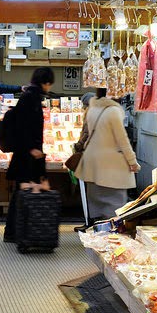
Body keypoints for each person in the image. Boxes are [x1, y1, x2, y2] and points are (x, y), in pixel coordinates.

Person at [3, 67, 54, 244]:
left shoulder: (30, 96)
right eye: (49, 83)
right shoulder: (31, 98)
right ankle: (17, 232)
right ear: (45, 82)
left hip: (26, 154)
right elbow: (24, 127)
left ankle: (16, 231)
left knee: (22, 192)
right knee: (23, 192)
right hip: (27, 156)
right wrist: (32, 148)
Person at [74, 87, 140, 221]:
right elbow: (122, 140)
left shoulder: (92, 109)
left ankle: (96, 235)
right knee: (114, 208)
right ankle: (110, 237)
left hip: (92, 164)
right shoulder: (113, 111)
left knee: (97, 206)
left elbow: (86, 134)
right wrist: (132, 162)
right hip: (111, 166)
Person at [70, 91, 97, 232]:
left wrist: (77, 146)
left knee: (88, 191)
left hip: (90, 156)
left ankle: (89, 222)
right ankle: (95, 221)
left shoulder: (90, 114)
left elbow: (86, 134)